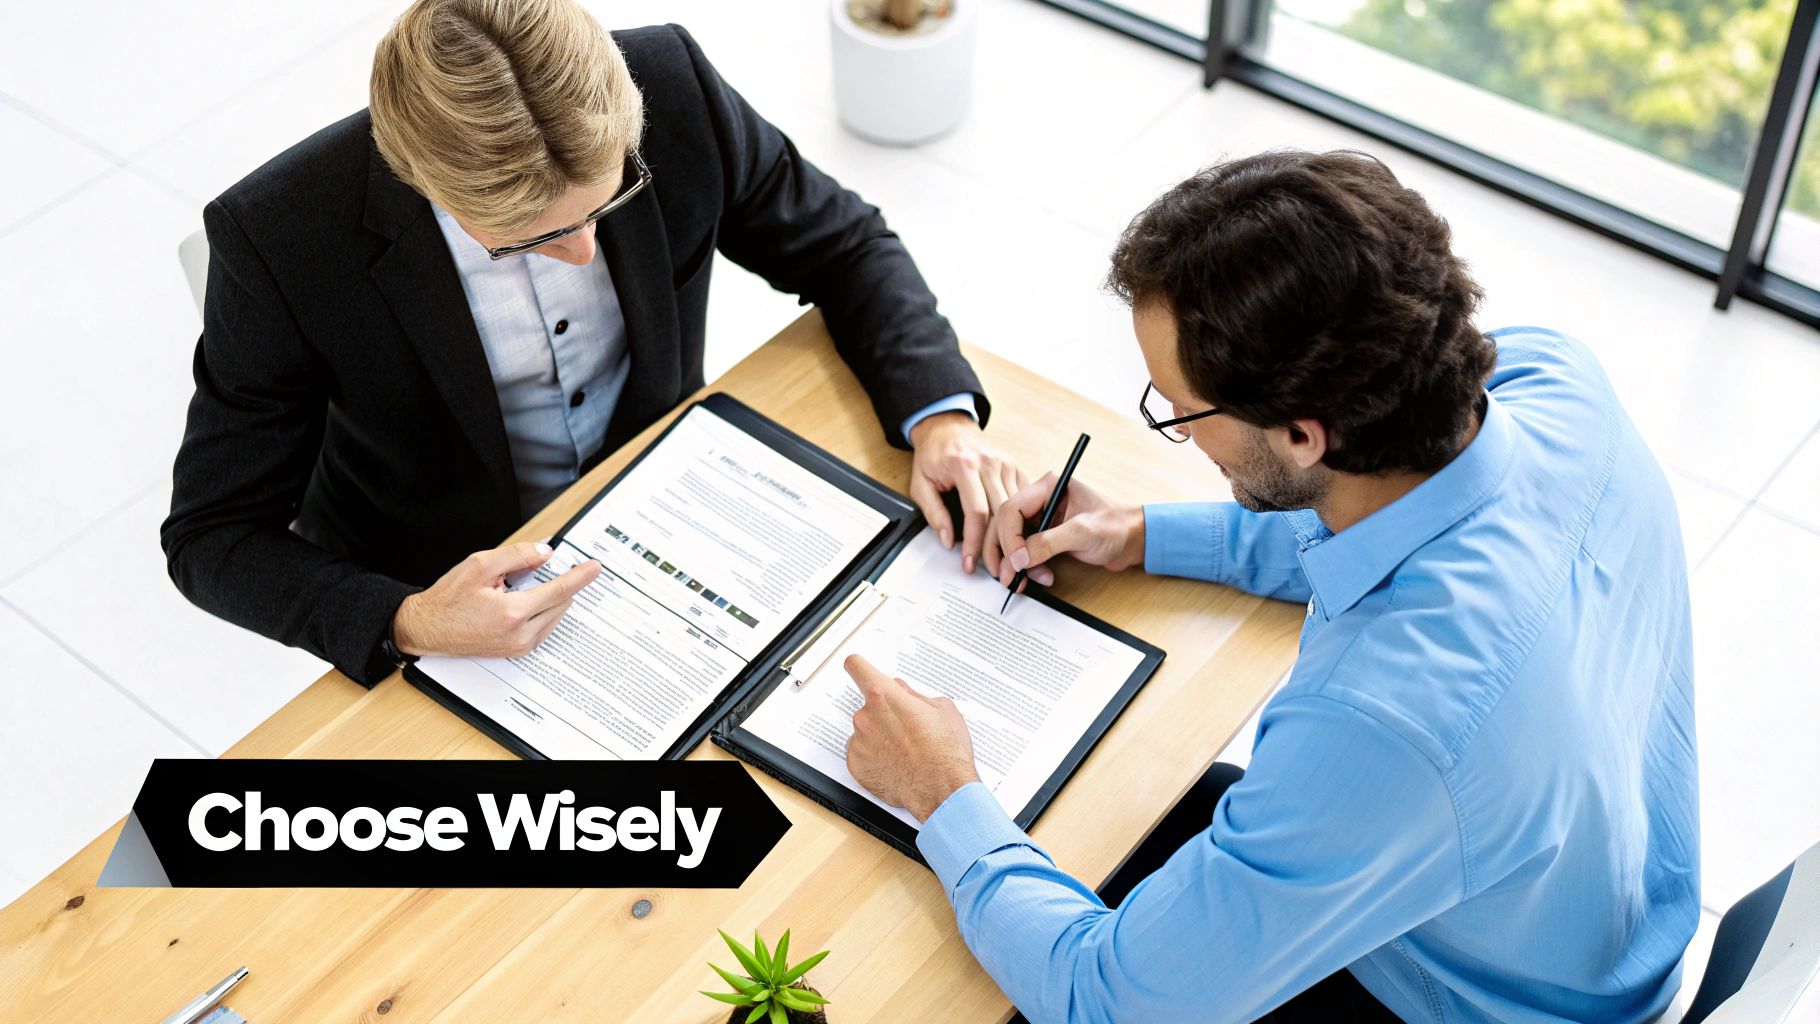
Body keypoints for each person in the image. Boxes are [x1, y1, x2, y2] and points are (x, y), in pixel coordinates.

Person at [842, 150, 1699, 1022]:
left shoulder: (1385, 720)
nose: (1179, 430)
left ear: (1301, 435)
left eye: (1178, 412)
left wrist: (939, 788)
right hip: (1587, 918)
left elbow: (1106, 1003)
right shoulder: (1551, 383)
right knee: (1111, 809)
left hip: (1454, 995)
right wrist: (1138, 533)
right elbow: (1395, 519)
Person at [162, 0, 1021, 686]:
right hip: (448, 588)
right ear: (422, 182)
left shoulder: (674, 83)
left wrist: (939, 418)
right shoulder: (278, 237)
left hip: (669, 507)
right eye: (529, 239)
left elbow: (843, 244)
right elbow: (212, 537)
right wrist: (409, 619)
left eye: (607, 204)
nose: (585, 252)